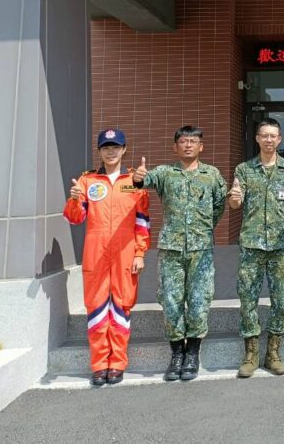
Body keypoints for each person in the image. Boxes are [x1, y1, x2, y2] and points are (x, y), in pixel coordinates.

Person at [132, 125, 226, 382]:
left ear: (201, 147)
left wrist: (204, 230)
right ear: (175, 147)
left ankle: (193, 353)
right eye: (183, 141)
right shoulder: (165, 173)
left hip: (201, 249)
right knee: (171, 301)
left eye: (193, 142)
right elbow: (138, 184)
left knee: (199, 301)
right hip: (171, 249)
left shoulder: (212, 175)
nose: (188, 145)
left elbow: (220, 206)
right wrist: (138, 177)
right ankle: (176, 354)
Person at [64, 128, 149, 386]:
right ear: (99, 151)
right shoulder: (88, 181)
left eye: (115, 146)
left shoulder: (134, 180)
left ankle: (118, 363)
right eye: (106, 147)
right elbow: (75, 218)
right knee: (97, 308)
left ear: (124, 149)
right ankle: (100, 364)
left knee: (121, 307)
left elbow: (142, 221)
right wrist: (74, 200)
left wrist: (140, 252)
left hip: (124, 252)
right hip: (96, 252)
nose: (111, 151)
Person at [231, 118, 284, 377]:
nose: (269, 140)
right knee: (247, 299)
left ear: (280, 139)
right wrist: (235, 199)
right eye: (265, 135)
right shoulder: (244, 169)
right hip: (251, 245)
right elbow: (235, 204)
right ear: (257, 139)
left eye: (274, 136)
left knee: (280, 300)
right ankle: (250, 354)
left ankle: (273, 353)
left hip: (280, 246)